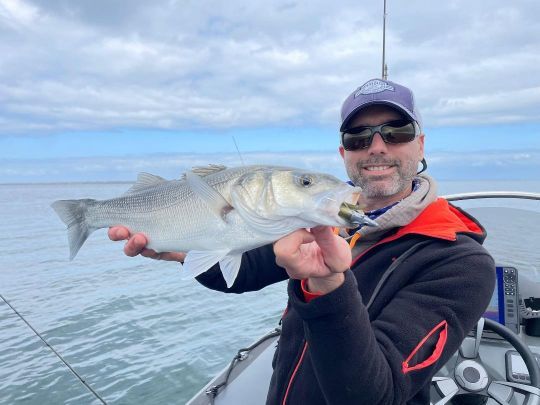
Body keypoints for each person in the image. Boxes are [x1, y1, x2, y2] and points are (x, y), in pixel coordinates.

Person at [108, 78, 495, 404]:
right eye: (358, 137)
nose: (377, 147)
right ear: (344, 153)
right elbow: (244, 271)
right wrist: (184, 251)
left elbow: (375, 394)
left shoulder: (459, 262)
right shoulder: (320, 220)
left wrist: (328, 288)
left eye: (397, 132)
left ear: (421, 145)